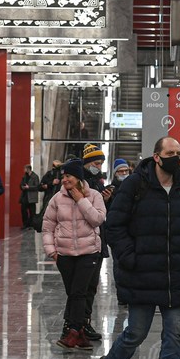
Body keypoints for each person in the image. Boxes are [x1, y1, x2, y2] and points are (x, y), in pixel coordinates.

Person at [95, 136, 180, 359]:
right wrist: (130, 257)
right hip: (142, 273)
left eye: (179, 152)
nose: (176, 157)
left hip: (174, 274)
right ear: (156, 156)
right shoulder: (134, 185)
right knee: (136, 333)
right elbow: (114, 225)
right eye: (170, 152)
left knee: (174, 335)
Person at [42, 158, 107, 350]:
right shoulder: (57, 199)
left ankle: (72, 332)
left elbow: (98, 220)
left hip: (89, 252)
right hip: (64, 254)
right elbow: (47, 227)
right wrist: (52, 252)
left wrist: (81, 200)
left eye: (68, 176)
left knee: (79, 292)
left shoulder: (94, 195)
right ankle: (79, 335)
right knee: (73, 293)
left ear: (78, 177)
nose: (64, 180)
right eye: (64, 176)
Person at [80, 143, 113, 340]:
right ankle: (78, 325)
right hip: (86, 239)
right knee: (83, 287)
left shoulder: (97, 182)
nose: (99, 167)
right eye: (96, 163)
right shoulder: (80, 183)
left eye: (101, 163)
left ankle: (85, 322)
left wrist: (105, 199)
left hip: (98, 238)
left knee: (91, 286)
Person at [19, 164, 40, 229]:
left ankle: (32, 224)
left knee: (32, 212)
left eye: (25, 169)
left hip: (31, 197)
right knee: (23, 210)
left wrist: (29, 187)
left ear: (28, 169)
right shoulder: (24, 176)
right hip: (25, 196)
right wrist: (22, 187)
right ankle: (25, 223)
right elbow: (21, 184)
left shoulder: (35, 176)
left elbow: (37, 186)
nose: (24, 170)